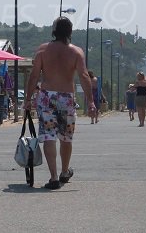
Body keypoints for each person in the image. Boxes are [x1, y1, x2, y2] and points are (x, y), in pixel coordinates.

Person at [24, 16, 94, 190]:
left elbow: (34, 76)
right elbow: (84, 77)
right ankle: (64, 172)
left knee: (49, 136)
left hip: (47, 96)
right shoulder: (77, 52)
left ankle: (54, 176)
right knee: (66, 137)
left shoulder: (42, 51)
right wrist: (91, 102)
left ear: (54, 31)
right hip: (67, 98)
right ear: (70, 32)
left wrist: (27, 99)